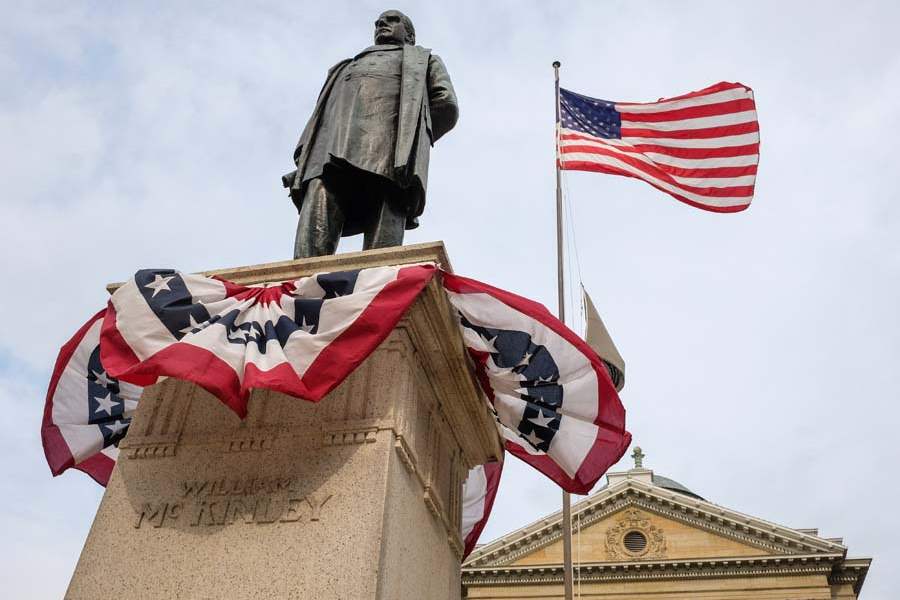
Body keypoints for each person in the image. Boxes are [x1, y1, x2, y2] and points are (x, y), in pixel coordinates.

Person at [283, 10, 459, 258]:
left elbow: (446, 104)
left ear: (409, 34)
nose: (381, 24)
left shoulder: (423, 60)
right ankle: (302, 282)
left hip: (389, 152)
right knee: (318, 212)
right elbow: (320, 115)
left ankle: (378, 283)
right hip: (329, 153)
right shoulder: (343, 67)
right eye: (378, 22)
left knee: (383, 234)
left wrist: (410, 143)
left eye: (392, 20)